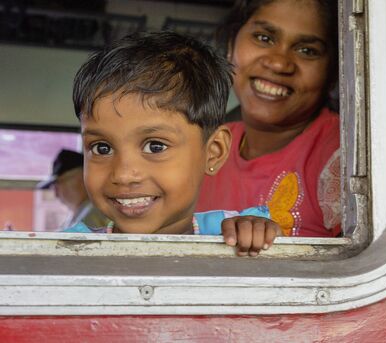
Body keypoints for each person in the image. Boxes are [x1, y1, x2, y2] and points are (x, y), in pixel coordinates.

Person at [65, 31, 280, 256]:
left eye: (155, 146)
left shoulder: (235, 233)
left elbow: (287, 260)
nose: (123, 175)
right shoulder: (69, 249)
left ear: (213, 152)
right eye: (102, 148)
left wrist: (261, 238)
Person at [196, 0, 341, 237]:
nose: (278, 63)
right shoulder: (204, 147)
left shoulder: (343, 155)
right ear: (231, 45)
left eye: (307, 50)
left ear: (334, 72)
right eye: (264, 38)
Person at [38, 149, 109, 229]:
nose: (56, 194)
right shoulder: (80, 212)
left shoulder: (96, 211)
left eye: (59, 184)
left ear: (83, 179)